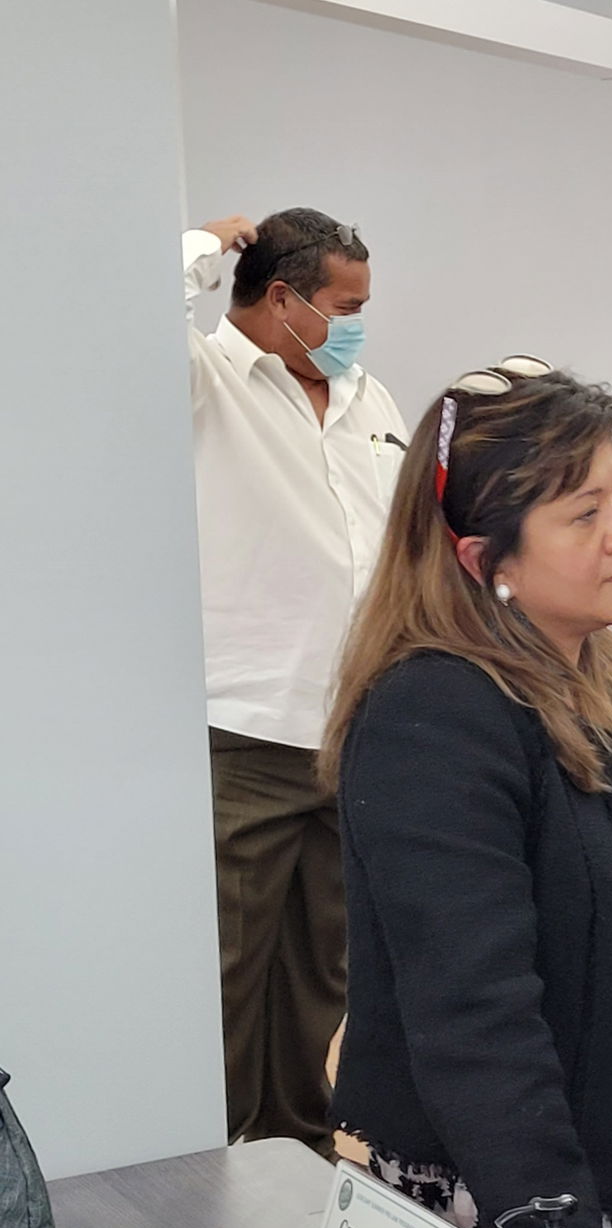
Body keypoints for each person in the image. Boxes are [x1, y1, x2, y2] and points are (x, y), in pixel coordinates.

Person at [321, 363, 612, 1228]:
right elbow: (474, 1011)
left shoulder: (591, 688)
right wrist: (547, 1211)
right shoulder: (431, 715)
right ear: (482, 559)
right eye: (584, 513)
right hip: (532, 1183)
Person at [182, 209, 408, 1151]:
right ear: (281, 298)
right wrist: (199, 247)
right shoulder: (203, 380)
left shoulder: (371, 399)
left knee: (327, 965)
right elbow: (100, 319)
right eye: (345, 306)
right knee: (228, 965)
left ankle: (294, 1149)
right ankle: (210, 1155)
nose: (359, 325)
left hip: (353, 726)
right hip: (243, 726)